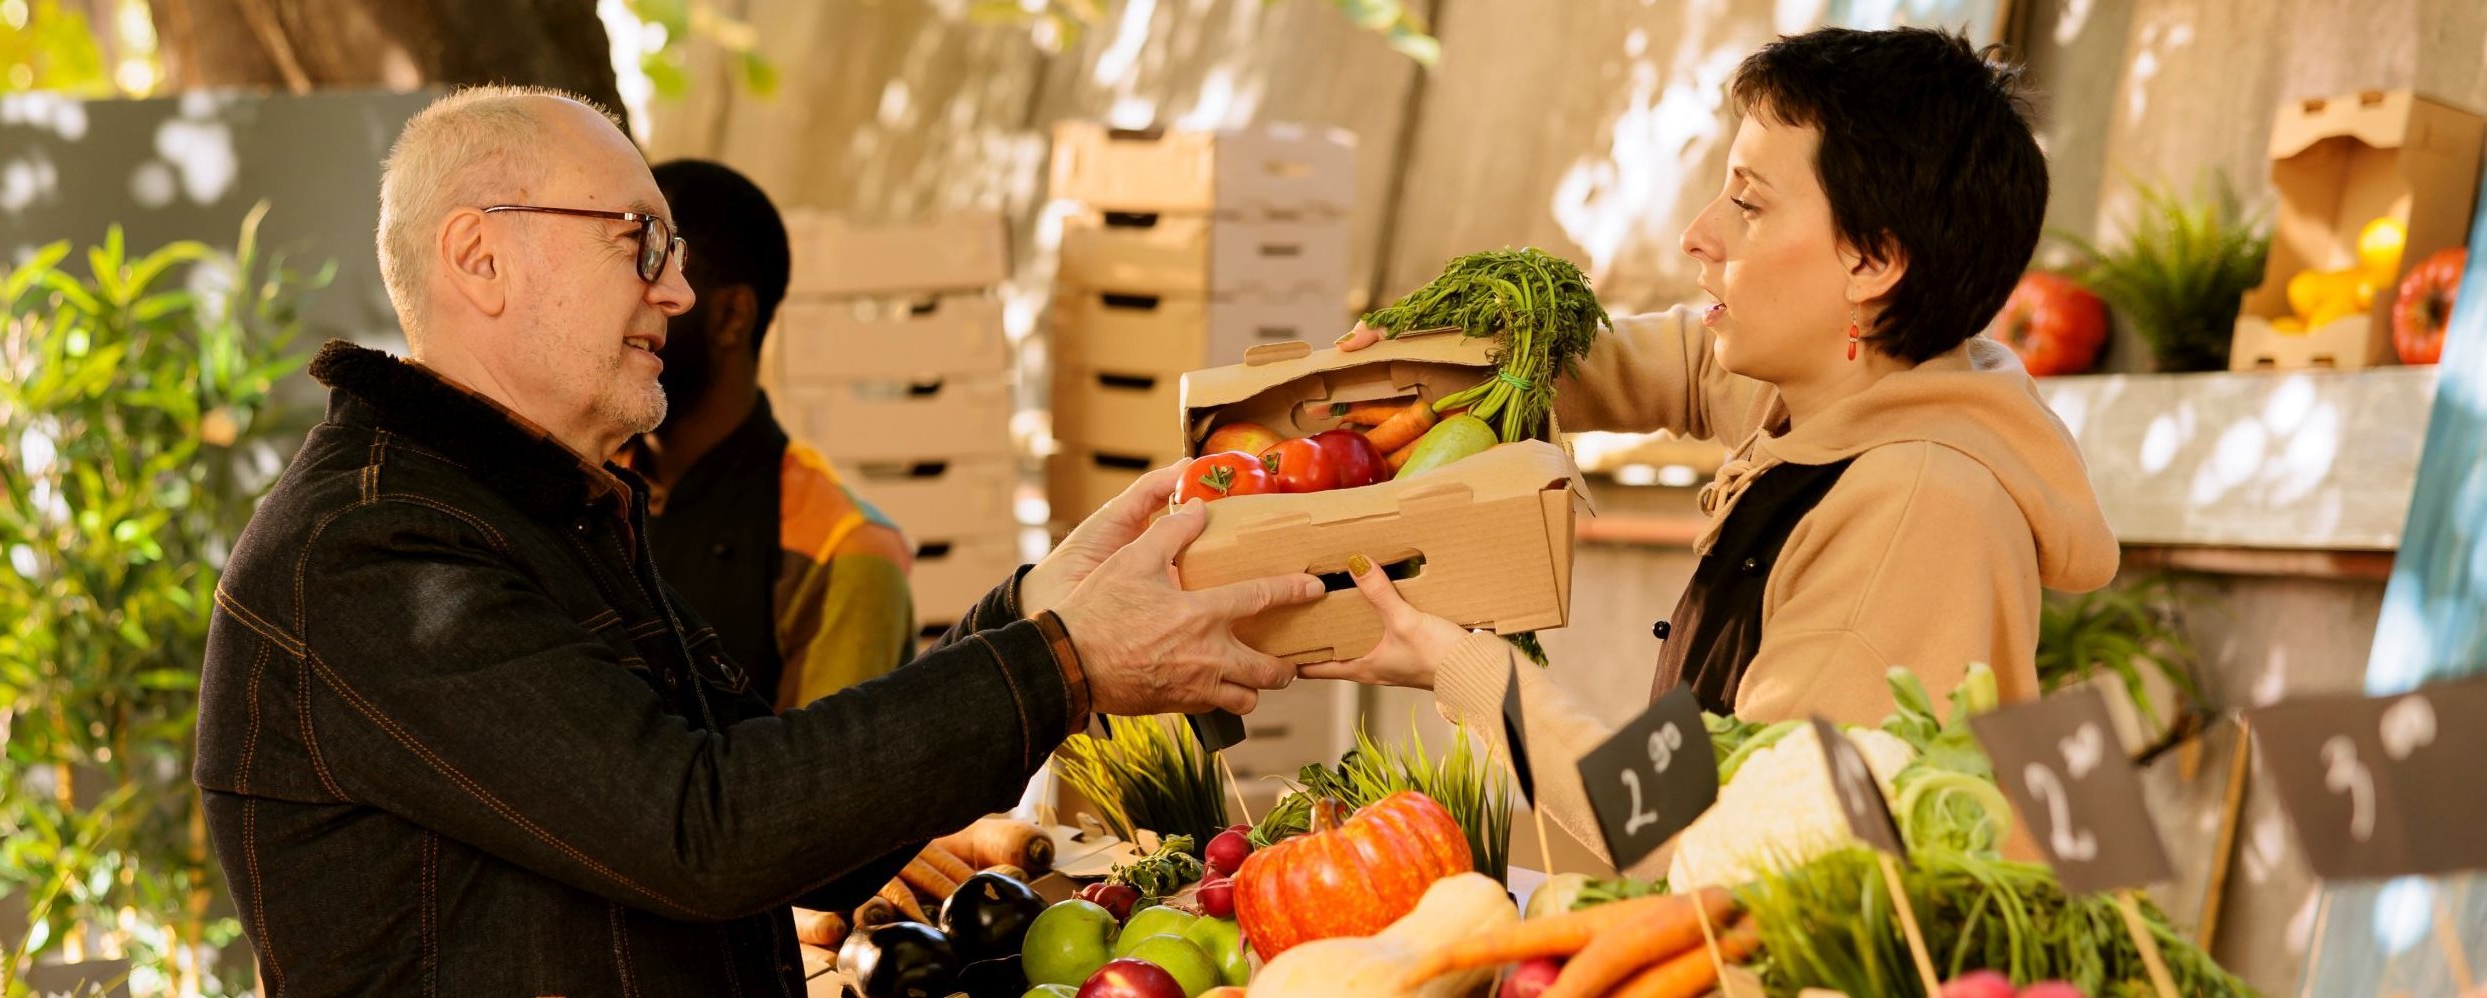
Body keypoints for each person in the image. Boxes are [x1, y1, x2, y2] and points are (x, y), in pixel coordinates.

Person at [191, 85, 1321, 993]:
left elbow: (790, 827)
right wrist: (1062, 659)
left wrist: (1025, 620)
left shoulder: (539, 508)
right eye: (639, 242)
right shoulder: (369, 552)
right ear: (478, 258)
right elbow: (705, 828)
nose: (678, 291)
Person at [1315, 27, 2118, 871]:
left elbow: (1724, 848)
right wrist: (1464, 371)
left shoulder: (1911, 515)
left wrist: (1467, 669)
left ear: (1873, 259)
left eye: (1748, 203)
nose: (1697, 235)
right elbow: (1686, 363)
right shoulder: (1853, 383)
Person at [621, 158, 919, 709]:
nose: (621, 302)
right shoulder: (586, 480)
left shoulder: (846, 552)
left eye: (654, 267)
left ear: (731, 316)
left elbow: (824, 789)